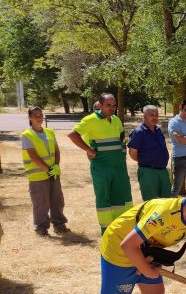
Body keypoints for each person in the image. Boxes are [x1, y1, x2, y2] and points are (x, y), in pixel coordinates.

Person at [68, 93, 133, 233]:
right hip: (102, 168)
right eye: (108, 105)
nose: (112, 108)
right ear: (100, 105)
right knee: (104, 198)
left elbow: (120, 137)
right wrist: (88, 150)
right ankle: (106, 230)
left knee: (121, 197)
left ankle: (120, 229)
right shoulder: (90, 120)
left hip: (119, 167)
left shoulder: (116, 120)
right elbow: (73, 135)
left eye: (114, 105)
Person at [21, 106, 69, 236]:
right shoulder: (27, 135)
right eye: (35, 115)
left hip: (53, 173)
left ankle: (59, 225)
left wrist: (56, 166)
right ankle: (41, 229)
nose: (39, 118)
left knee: (57, 201)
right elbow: (32, 155)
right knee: (41, 204)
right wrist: (48, 169)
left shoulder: (49, 132)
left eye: (40, 115)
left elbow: (56, 151)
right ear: (30, 118)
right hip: (38, 176)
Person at [127, 105, 171, 201]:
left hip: (163, 171)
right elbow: (132, 153)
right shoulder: (139, 132)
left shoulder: (158, 131)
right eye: (151, 115)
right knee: (151, 203)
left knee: (166, 202)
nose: (154, 117)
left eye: (156, 115)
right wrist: (146, 161)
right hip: (148, 172)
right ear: (145, 117)